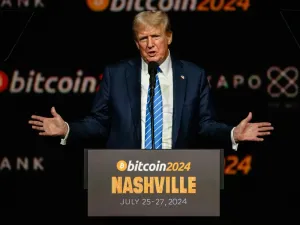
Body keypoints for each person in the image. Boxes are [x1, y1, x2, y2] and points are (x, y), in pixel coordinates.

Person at [28, 10, 273, 150]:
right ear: (136, 43)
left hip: (177, 178)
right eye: (143, 39)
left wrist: (232, 133)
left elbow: (205, 124)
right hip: (126, 176)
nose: (150, 44)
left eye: (156, 36)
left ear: (169, 37)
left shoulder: (194, 74)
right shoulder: (116, 74)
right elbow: (99, 122)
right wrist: (68, 129)